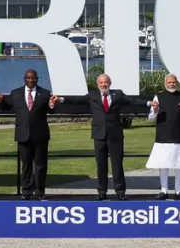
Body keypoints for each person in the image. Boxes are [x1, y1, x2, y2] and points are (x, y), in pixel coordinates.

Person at [57, 73, 145, 201]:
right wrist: (60, 99)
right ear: (97, 84)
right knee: (101, 164)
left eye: (106, 82)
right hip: (99, 135)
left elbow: (133, 101)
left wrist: (149, 103)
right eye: (101, 83)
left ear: (110, 83)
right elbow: (77, 100)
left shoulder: (118, 94)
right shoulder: (92, 95)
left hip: (115, 135)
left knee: (117, 164)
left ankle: (120, 191)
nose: (104, 85)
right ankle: (102, 192)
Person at [0, 69, 58, 200]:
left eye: (33, 78)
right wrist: (1, 102)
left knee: (40, 165)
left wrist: (52, 105)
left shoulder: (45, 93)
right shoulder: (16, 93)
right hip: (23, 135)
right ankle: (26, 191)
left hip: (40, 135)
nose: (30, 80)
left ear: (37, 79)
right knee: (26, 165)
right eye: (28, 78)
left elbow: (51, 110)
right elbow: (6, 107)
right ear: (24, 79)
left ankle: (40, 191)